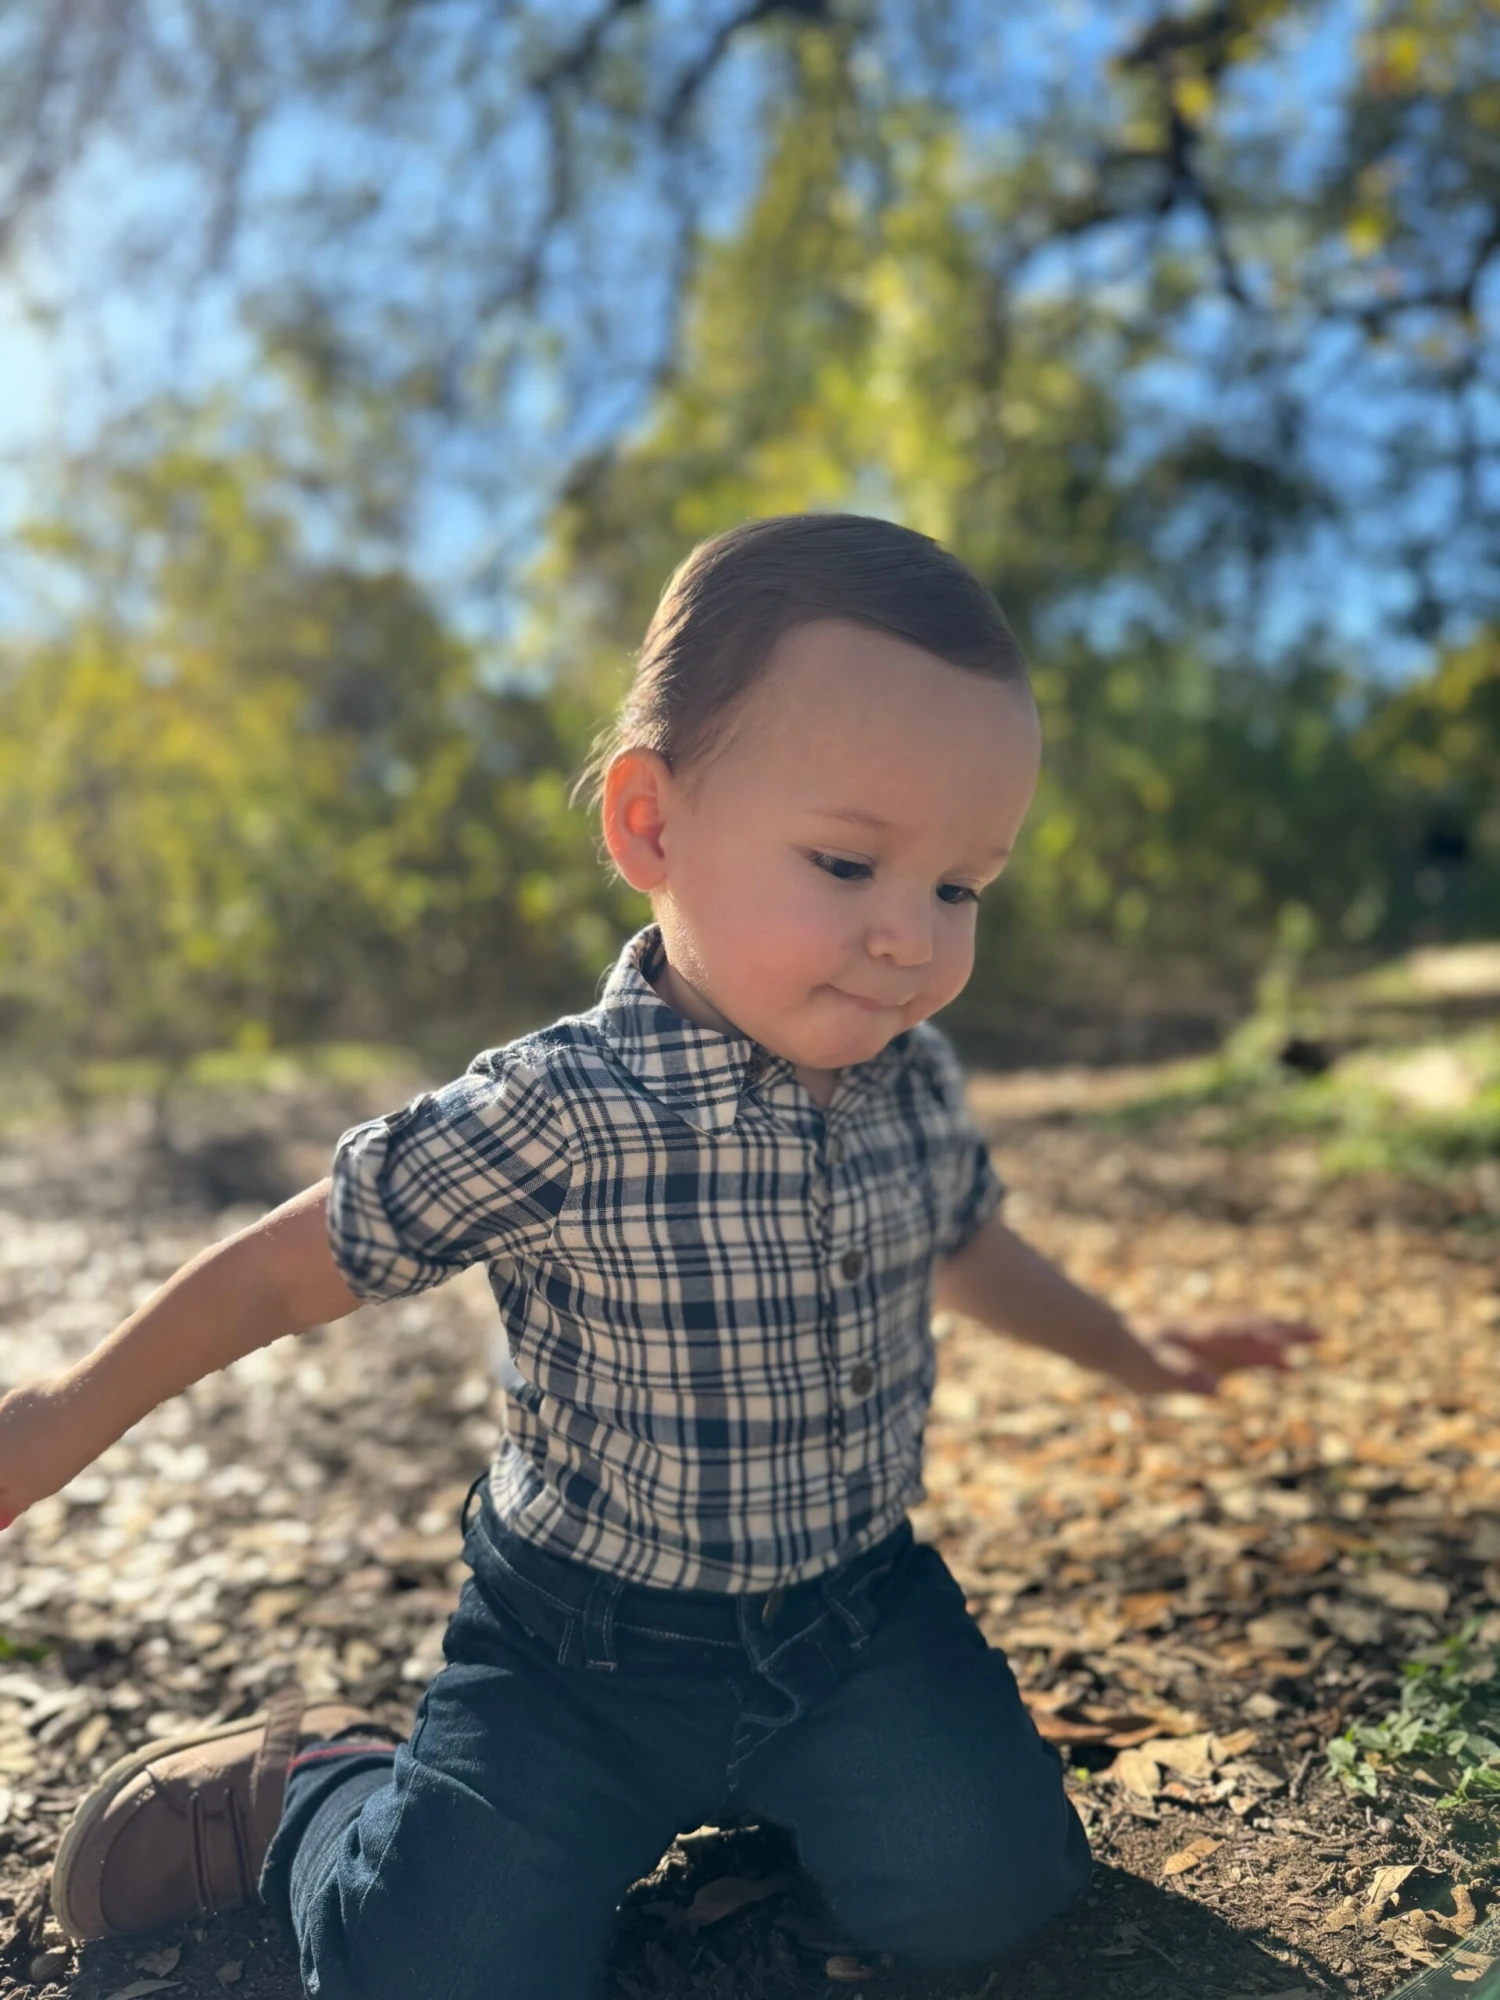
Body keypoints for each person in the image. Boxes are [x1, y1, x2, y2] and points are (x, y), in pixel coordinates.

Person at [0, 514, 1315, 1999]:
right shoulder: (564, 1107)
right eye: (846, 862)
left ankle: (796, 1797)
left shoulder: (911, 1082)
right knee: (440, 1971)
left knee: (998, 1888)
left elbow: (974, 1247)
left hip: (851, 1622)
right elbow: (291, 1267)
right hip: (578, 1654)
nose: (911, 941)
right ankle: (312, 1794)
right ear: (651, 828)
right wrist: (63, 1415)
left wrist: (1136, 1354)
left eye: (960, 887)